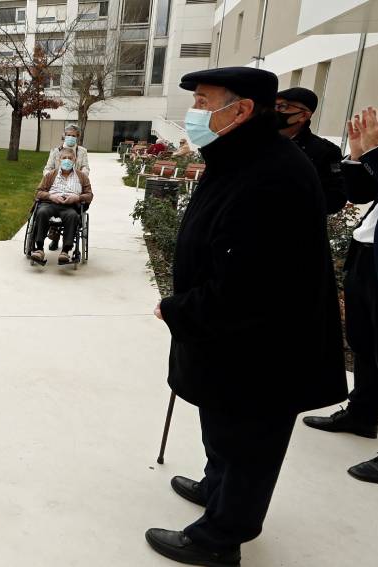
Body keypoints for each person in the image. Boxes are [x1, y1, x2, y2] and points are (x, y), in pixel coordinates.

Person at [146, 67, 346, 566]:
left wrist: (177, 309)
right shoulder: (239, 156)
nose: (194, 113)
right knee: (222, 419)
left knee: (250, 439)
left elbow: (251, 283)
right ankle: (217, 487)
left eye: (203, 102)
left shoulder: (272, 174)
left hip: (264, 345)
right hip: (230, 338)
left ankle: (220, 536)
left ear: (241, 110)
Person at [303, 64, 378, 485]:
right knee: (364, 345)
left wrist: (376, 154)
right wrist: (357, 157)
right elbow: (363, 194)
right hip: (368, 259)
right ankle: (361, 414)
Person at [276, 87, 347, 214]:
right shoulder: (255, 143)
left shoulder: (325, 151)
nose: (274, 111)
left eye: (283, 107)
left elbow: (335, 198)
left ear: (303, 115)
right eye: (272, 106)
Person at [29, 146, 93, 265]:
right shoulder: (50, 175)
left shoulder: (82, 176)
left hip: (70, 206)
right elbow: (38, 192)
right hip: (50, 203)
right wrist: (50, 196)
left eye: (70, 158)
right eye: (64, 158)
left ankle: (65, 250)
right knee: (41, 212)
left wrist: (77, 197)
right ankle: (39, 248)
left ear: (74, 160)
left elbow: (89, 195)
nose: (67, 160)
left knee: (73, 216)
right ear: (59, 159)